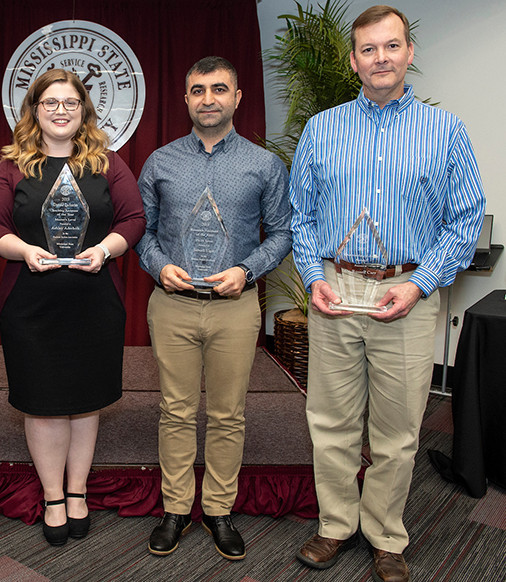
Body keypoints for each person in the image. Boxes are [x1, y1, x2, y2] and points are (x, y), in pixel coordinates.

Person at [289, 6, 485, 582]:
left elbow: (465, 220)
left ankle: (385, 536)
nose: (381, 58)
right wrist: (313, 277)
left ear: (409, 53)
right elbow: (300, 216)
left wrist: (421, 284)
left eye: (391, 46)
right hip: (335, 289)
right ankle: (334, 527)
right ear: (354, 60)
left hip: (407, 292)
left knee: (397, 431)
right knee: (330, 421)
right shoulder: (322, 129)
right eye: (369, 49)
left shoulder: (445, 131)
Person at [0, 69, 145, 546]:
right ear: (34, 109)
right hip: (31, 305)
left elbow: (134, 217)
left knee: (85, 400)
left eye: (70, 103)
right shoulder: (12, 165)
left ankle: (78, 491)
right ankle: (53, 495)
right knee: (44, 402)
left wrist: (107, 249)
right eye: (50, 102)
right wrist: (24, 250)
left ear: (84, 111)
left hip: (95, 302)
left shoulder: (107, 163)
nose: (60, 110)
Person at [136, 56, 292, 560]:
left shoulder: (264, 164)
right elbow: (142, 231)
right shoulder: (160, 161)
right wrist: (158, 266)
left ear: (237, 97)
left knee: (228, 414)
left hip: (235, 307)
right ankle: (177, 508)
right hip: (173, 305)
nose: (209, 99)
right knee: (175, 411)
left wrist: (248, 270)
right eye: (198, 90)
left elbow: (283, 231)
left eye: (219, 89)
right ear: (185, 99)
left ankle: (219, 509)